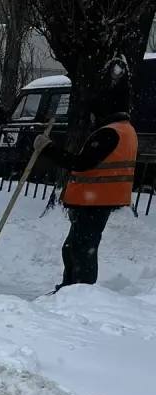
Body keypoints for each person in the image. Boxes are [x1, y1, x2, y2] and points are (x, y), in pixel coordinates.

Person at [35, 56, 137, 290]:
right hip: (99, 199)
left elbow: (81, 163)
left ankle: (80, 292)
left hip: (97, 200)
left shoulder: (111, 133)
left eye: (95, 113)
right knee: (74, 247)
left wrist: (47, 148)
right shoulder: (124, 130)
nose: (92, 117)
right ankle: (70, 289)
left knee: (81, 248)